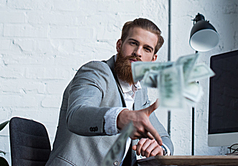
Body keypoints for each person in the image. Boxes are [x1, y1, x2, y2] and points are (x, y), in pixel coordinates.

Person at [46, 18, 174, 166]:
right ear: (119, 45)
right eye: (133, 43)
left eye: (147, 49)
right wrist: (120, 118)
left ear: (153, 59)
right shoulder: (96, 72)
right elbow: (76, 115)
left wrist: (160, 148)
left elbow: (164, 137)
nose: (138, 53)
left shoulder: (140, 91)